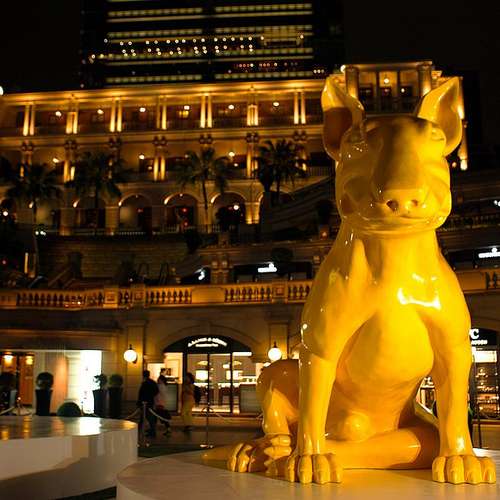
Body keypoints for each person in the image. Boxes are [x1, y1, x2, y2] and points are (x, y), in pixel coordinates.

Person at [137, 370, 159, 438]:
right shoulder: (153, 382)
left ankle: (151, 432)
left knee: (147, 418)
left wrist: (139, 402)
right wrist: (151, 396)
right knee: (146, 418)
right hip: (150, 402)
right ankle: (150, 432)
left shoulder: (145, 383)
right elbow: (156, 391)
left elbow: (141, 394)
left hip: (144, 402)